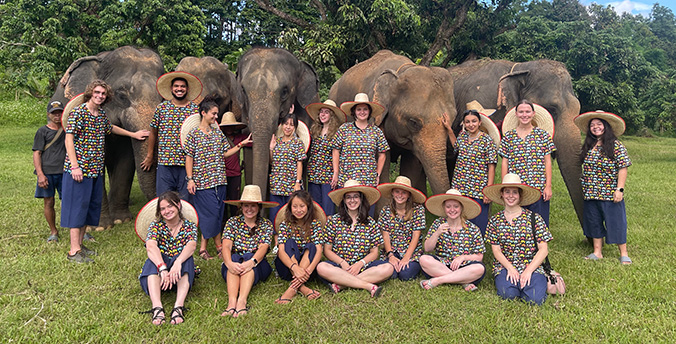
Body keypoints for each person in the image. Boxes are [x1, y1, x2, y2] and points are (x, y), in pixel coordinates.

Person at [61, 80, 150, 263]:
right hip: (79, 170)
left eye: (103, 94)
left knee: (86, 208)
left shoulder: (100, 115)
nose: (100, 96)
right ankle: (73, 251)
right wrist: (75, 166)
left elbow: (111, 128)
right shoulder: (79, 113)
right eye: (97, 92)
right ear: (90, 93)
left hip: (95, 170)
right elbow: (69, 140)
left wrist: (133, 134)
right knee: (77, 209)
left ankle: (80, 246)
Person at [183, 97, 252, 261]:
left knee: (218, 213)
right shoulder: (193, 135)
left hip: (220, 181)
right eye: (213, 114)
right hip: (202, 182)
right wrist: (190, 179)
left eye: (217, 114)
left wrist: (240, 145)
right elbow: (189, 158)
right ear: (203, 113)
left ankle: (204, 248)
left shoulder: (217, 133)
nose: (216, 117)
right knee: (211, 214)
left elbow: (224, 153)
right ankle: (216, 247)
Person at [483, 173, 553, 305]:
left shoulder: (534, 218)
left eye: (514, 192)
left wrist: (528, 271)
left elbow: (543, 250)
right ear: (502, 194)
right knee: (508, 295)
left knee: (535, 299)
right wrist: (510, 268)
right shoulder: (495, 220)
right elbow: (496, 250)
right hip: (505, 266)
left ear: (520, 196)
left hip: (531, 265)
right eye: (507, 192)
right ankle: (514, 284)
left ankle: (533, 283)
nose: (510, 196)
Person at [316, 180, 393, 298]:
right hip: (339, 267)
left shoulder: (370, 222)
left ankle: (341, 284)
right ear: (344, 200)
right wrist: (342, 263)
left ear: (361, 199)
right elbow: (327, 250)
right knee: (321, 267)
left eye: (356, 196)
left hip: (364, 267)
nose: (352, 200)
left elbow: (374, 253)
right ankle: (367, 286)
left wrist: (360, 264)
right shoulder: (333, 221)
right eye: (348, 197)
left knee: (388, 268)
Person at [575, 111, 632, 264]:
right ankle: (597, 252)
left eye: (599, 124)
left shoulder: (615, 145)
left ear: (606, 126)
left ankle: (624, 254)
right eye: (592, 125)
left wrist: (619, 189)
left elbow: (623, 167)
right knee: (594, 221)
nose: (596, 127)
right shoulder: (589, 145)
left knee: (616, 221)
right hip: (590, 192)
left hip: (609, 192)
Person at [136, 191, 198, 325]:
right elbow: (151, 246)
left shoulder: (189, 226)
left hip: (179, 273)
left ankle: (178, 307)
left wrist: (178, 263)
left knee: (186, 258)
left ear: (178, 205)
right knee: (153, 258)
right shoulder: (156, 225)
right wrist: (162, 267)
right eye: (162, 208)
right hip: (160, 274)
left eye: (170, 206)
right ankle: (157, 307)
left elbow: (191, 245)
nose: (167, 211)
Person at [141, 72, 202, 200]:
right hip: (165, 162)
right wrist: (149, 155)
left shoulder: (194, 109)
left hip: (187, 163)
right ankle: (165, 220)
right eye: (176, 86)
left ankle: (185, 220)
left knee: (186, 199)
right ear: (171, 89)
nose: (179, 89)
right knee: (164, 199)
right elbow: (153, 132)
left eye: (182, 86)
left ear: (187, 89)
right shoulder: (162, 108)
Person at [442, 101, 500, 235]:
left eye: (474, 121)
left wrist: (488, 189)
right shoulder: (463, 137)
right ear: (464, 124)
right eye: (467, 122)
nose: (471, 124)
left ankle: (477, 250)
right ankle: (460, 246)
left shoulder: (487, 141)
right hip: (460, 185)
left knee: (479, 220)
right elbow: (456, 146)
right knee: (460, 217)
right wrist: (449, 130)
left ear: (480, 122)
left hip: (478, 186)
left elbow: (491, 166)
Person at [221, 185, 278, 317]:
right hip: (235, 262)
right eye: (246, 205)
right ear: (241, 206)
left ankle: (242, 302)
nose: (249, 209)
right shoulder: (232, 222)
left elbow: (263, 247)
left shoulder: (266, 224)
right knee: (234, 258)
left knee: (248, 256)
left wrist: (252, 261)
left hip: (257, 263)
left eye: (253, 206)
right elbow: (226, 246)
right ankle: (231, 303)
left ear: (259, 207)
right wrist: (229, 263)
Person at [499, 100, 556, 227]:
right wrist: (504, 186)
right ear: (516, 114)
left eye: (527, 112)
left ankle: (540, 246)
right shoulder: (509, 136)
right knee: (517, 222)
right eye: (521, 112)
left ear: (533, 114)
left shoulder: (543, 135)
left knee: (539, 222)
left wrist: (548, 186)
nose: (524, 115)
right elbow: (504, 162)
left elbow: (548, 162)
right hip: (516, 187)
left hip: (538, 186)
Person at [419, 189, 485, 291]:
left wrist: (462, 257)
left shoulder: (472, 228)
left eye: (456, 206)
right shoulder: (438, 224)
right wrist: (437, 233)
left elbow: (479, 257)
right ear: (444, 208)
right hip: (441, 264)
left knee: (479, 268)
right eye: (448, 206)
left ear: (461, 208)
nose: (452, 210)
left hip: (464, 266)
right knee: (423, 259)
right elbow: (427, 248)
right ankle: (464, 281)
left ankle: (438, 280)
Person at [273, 190, 326, 303]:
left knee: (312, 246)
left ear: (308, 207)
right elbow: (281, 251)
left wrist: (307, 272)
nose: (298, 210)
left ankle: (292, 289)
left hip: (308, 270)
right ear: (290, 208)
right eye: (295, 206)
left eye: (302, 206)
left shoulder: (315, 224)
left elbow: (319, 251)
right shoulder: (285, 224)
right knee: (289, 242)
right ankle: (303, 289)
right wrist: (295, 268)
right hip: (287, 268)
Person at [332, 93, 389, 191]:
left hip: (368, 180)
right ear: (354, 111)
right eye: (359, 109)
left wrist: (377, 174)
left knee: (367, 206)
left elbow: (382, 154)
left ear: (369, 111)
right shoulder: (344, 128)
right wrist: (336, 172)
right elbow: (335, 150)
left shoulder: (376, 131)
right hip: (346, 178)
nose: (362, 112)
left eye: (365, 109)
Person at [376, 176, 426, 281]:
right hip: (393, 250)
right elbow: (385, 235)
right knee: (392, 273)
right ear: (392, 193)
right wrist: (390, 255)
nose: (400, 195)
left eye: (404, 193)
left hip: (411, 252)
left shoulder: (418, 210)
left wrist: (406, 257)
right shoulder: (385, 210)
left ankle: (414, 265)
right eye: (397, 192)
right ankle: (392, 263)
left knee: (405, 275)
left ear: (409, 195)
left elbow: (416, 236)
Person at [306, 99, 346, 216]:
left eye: (326, 112)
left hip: (328, 174)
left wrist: (336, 173)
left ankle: (328, 232)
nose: (323, 114)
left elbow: (336, 153)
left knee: (328, 207)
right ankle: (317, 232)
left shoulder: (337, 133)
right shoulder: (314, 131)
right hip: (314, 174)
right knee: (315, 207)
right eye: (321, 112)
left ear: (332, 115)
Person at [268, 108, 308, 223]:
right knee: (275, 213)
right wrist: (271, 148)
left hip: (291, 183)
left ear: (295, 127)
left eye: (291, 125)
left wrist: (298, 182)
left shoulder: (298, 143)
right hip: (277, 183)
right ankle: (276, 238)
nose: (288, 127)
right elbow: (272, 162)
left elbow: (299, 163)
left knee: (292, 212)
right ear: (282, 126)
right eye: (286, 124)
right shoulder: (278, 141)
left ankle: (291, 236)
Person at [33, 100, 66, 242]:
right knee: (49, 202)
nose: (57, 116)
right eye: (54, 113)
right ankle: (53, 231)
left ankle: (78, 230)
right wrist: (40, 174)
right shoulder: (42, 131)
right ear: (48, 115)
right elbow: (36, 153)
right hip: (48, 173)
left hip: (65, 172)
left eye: (59, 112)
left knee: (70, 202)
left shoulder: (67, 130)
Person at [219, 112, 249, 221]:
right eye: (226, 126)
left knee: (234, 201)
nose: (229, 129)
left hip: (235, 175)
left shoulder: (240, 137)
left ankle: (234, 222)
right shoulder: (219, 138)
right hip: (221, 175)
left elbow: (252, 141)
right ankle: (223, 224)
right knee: (222, 200)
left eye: (231, 126)